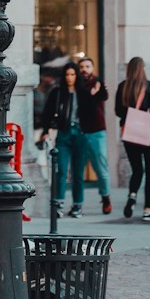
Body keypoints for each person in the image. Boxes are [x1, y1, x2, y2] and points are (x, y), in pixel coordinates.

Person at [114, 57, 150, 221]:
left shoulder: (122, 87)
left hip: (129, 133)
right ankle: (148, 209)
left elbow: (118, 111)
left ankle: (132, 196)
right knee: (149, 172)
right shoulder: (149, 87)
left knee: (137, 169)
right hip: (147, 134)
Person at [43, 63, 87, 218]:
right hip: (64, 133)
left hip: (80, 134)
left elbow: (95, 109)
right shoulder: (57, 92)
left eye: (73, 74)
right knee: (61, 170)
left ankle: (77, 205)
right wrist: (45, 130)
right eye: (67, 75)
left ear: (77, 76)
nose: (70, 78)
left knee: (78, 173)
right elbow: (47, 112)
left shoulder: (83, 92)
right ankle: (58, 203)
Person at [77, 56, 113, 215]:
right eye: (82, 67)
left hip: (97, 131)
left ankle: (106, 198)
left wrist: (96, 92)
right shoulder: (76, 85)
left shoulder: (98, 83)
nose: (84, 69)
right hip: (80, 131)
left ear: (92, 68)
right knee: (78, 170)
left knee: (101, 168)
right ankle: (77, 204)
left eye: (87, 66)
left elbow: (104, 96)